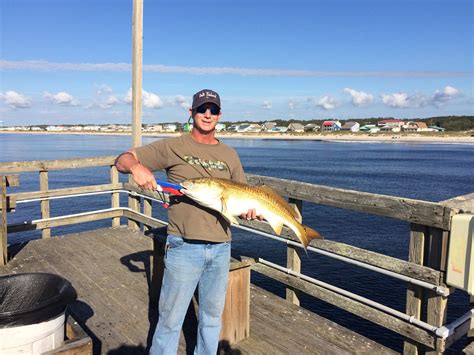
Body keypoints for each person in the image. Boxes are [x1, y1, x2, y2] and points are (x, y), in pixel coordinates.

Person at [115, 89, 258, 355]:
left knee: (212, 320)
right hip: (183, 246)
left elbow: (242, 197)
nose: (207, 114)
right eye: (202, 109)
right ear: (191, 113)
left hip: (221, 247)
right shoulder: (173, 146)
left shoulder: (230, 155)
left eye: (213, 110)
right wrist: (137, 167)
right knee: (170, 320)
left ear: (219, 115)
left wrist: (250, 211)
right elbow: (122, 159)